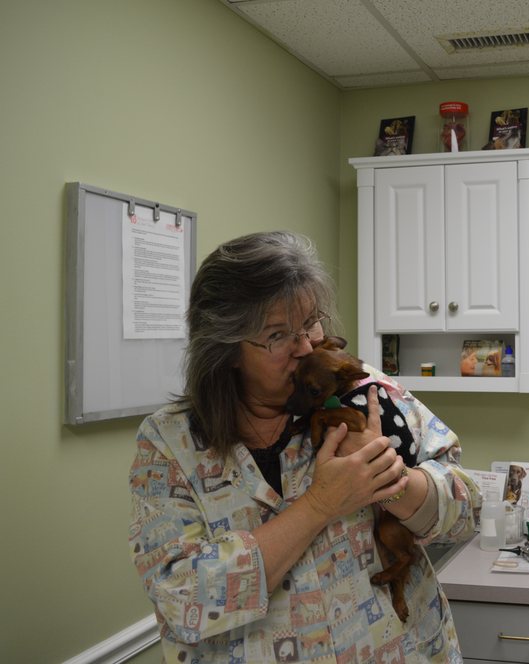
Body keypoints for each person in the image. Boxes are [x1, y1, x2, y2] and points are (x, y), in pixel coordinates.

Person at [129, 231, 479, 662]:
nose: (307, 346)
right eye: (278, 335)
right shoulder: (170, 443)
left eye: (311, 322)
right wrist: (320, 504)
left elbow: (469, 511)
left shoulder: (360, 387)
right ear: (228, 349)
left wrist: (393, 478)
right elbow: (181, 600)